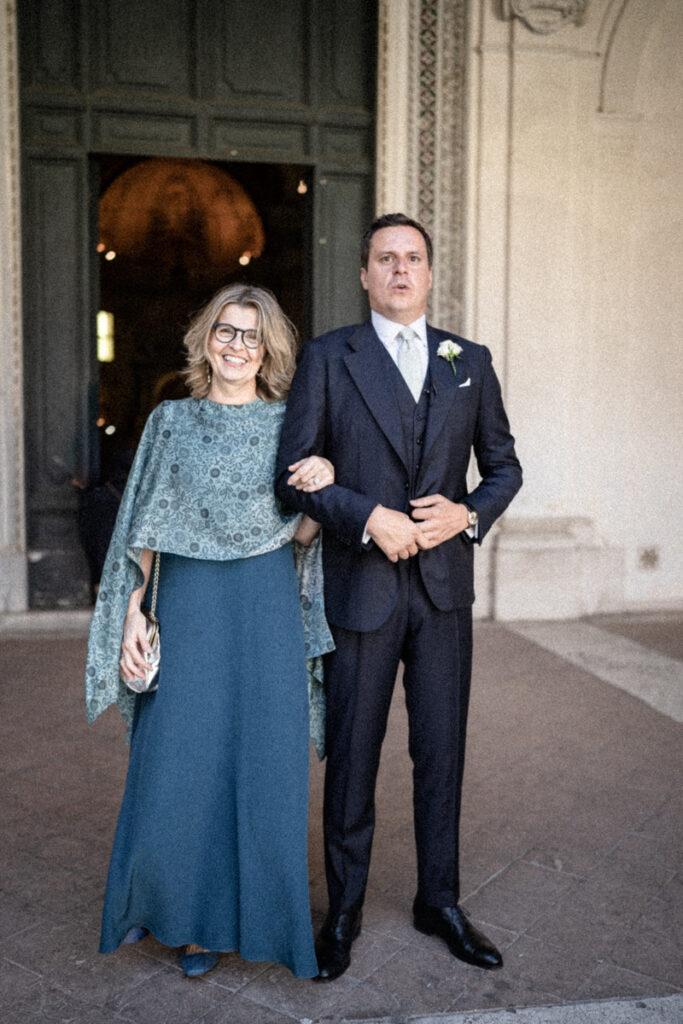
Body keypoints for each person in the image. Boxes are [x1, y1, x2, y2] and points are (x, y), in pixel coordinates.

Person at [275, 213, 523, 981]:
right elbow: (293, 466)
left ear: (428, 269)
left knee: (439, 751)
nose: (399, 270)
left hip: (443, 593)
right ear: (363, 274)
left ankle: (438, 900)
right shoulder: (327, 358)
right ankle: (342, 910)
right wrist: (365, 517)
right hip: (362, 588)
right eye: (384, 259)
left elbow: (505, 467)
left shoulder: (467, 360)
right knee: (352, 754)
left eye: (412, 258)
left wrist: (468, 513)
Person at [85, 283, 335, 979]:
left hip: (265, 608)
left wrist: (324, 477)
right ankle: (190, 925)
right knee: (181, 767)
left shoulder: (291, 425)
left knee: (264, 768)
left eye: (250, 336)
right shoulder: (171, 421)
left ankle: (264, 925)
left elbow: (305, 533)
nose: (235, 345)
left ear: (269, 350)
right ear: (205, 340)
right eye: (225, 331)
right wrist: (135, 610)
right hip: (189, 605)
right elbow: (141, 523)